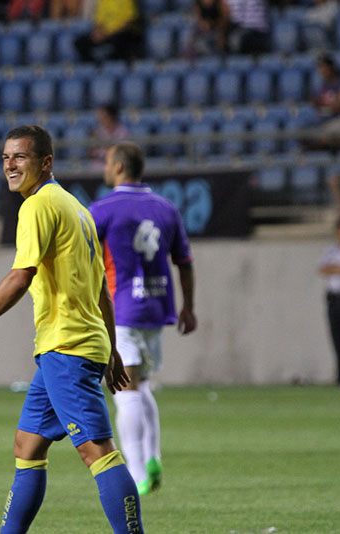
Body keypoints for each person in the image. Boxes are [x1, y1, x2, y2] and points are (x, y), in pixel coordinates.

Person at [0, 125, 142, 534]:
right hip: (71, 347)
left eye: (19, 157)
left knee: (98, 453)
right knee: (27, 445)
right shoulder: (76, 207)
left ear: (45, 162)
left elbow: (21, 276)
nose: (10, 165)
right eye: (5, 157)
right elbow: (102, 291)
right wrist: (110, 348)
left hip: (67, 349)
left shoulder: (38, 206)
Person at [89, 142, 196, 495]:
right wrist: (188, 307)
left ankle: (136, 473)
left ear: (119, 166)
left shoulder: (102, 210)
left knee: (124, 389)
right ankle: (153, 456)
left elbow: (84, 259)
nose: (105, 167)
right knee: (142, 383)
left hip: (122, 308)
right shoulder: (166, 208)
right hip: (157, 307)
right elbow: (184, 261)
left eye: (107, 161)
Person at [74, 0, 144, 63]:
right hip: (106, 35)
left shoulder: (127, 1)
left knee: (120, 40)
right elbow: (98, 22)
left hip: (120, 34)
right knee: (80, 42)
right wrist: (98, 33)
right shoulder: (104, 1)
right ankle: (92, 67)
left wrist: (109, 33)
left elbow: (129, 21)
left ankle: (118, 65)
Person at [318, 215, 340, 388]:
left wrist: (335, 268)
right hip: (334, 298)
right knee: (336, 337)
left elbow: (330, 268)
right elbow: (323, 269)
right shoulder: (330, 251)